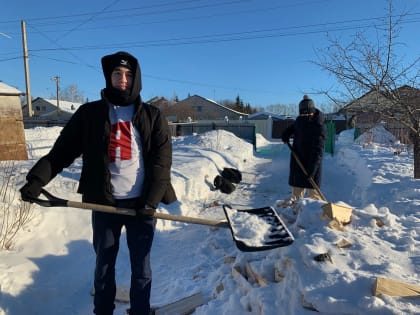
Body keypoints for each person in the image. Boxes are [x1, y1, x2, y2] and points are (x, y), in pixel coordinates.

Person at [19, 51, 177, 315]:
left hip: (142, 205)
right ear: (109, 77)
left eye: (128, 74)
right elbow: (62, 151)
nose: (122, 79)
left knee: (142, 267)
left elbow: (162, 163)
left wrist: (151, 201)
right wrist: (36, 180)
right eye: (117, 73)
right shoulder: (89, 114)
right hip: (104, 203)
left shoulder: (152, 116)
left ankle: (140, 311)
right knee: (104, 265)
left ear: (136, 78)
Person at [281, 95, 326, 202]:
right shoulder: (300, 120)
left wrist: (312, 169)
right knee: (296, 195)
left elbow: (318, 150)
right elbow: (293, 128)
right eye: (302, 114)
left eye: (307, 113)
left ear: (313, 112)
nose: (304, 116)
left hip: (312, 164)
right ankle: (295, 213)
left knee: (314, 197)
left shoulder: (319, 126)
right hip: (298, 160)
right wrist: (286, 134)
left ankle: (318, 215)